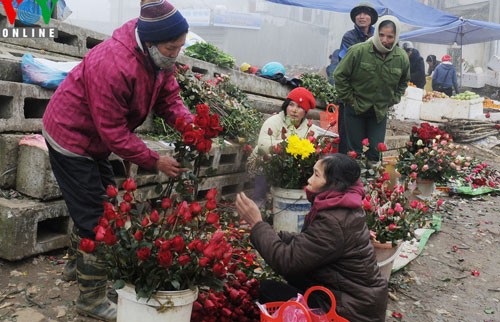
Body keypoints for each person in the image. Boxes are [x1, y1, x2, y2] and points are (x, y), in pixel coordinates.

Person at [41, 1, 193, 320]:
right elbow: (113, 131)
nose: (176, 53)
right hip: (70, 135)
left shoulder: (157, 59)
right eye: (171, 47)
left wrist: (188, 124)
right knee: (98, 220)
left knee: (103, 205)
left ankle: (77, 266)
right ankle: (91, 300)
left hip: (94, 140)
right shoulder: (113, 63)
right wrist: (154, 160)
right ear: (150, 42)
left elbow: (169, 97)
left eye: (181, 47)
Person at [236, 153, 388, 322]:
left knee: (267, 289)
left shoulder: (334, 221)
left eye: (316, 175)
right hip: (357, 301)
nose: (309, 180)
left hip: (351, 313)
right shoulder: (343, 206)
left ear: (334, 184)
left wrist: (257, 224)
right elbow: (310, 242)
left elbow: (286, 261)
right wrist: (274, 235)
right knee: (293, 278)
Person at [334, 15, 410, 164]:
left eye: (390, 36)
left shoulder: (401, 57)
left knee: (375, 152)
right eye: (381, 35)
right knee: (354, 152)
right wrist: (350, 99)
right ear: (376, 33)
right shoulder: (358, 51)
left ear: (396, 37)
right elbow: (340, 75)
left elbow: (404, 81)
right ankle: (352, 184)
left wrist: (393, 99)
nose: (384, 40)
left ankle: (371, 184)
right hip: (355, 109)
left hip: (379, 112)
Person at [249, 87, 317, 207]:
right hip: (264, 161)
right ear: (286, 106)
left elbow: (313, 148)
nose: (294, 110)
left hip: (292, 166)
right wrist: (291, 145)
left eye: (300, 107)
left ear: (305, 112)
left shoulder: (310, 129)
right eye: (291, 105)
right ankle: (258, 201)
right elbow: (263, 145)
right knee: (266, 158)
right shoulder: (274, 121)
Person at [337, 2, 379, 155]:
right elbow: (347, 62)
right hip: (351, 95)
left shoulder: (378, 36)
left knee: (371, 140)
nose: (362, 17)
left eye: (365, 13)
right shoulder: (349, 37)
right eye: (358, 14)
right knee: (347, 138)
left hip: (372, 97)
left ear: (372, 18)